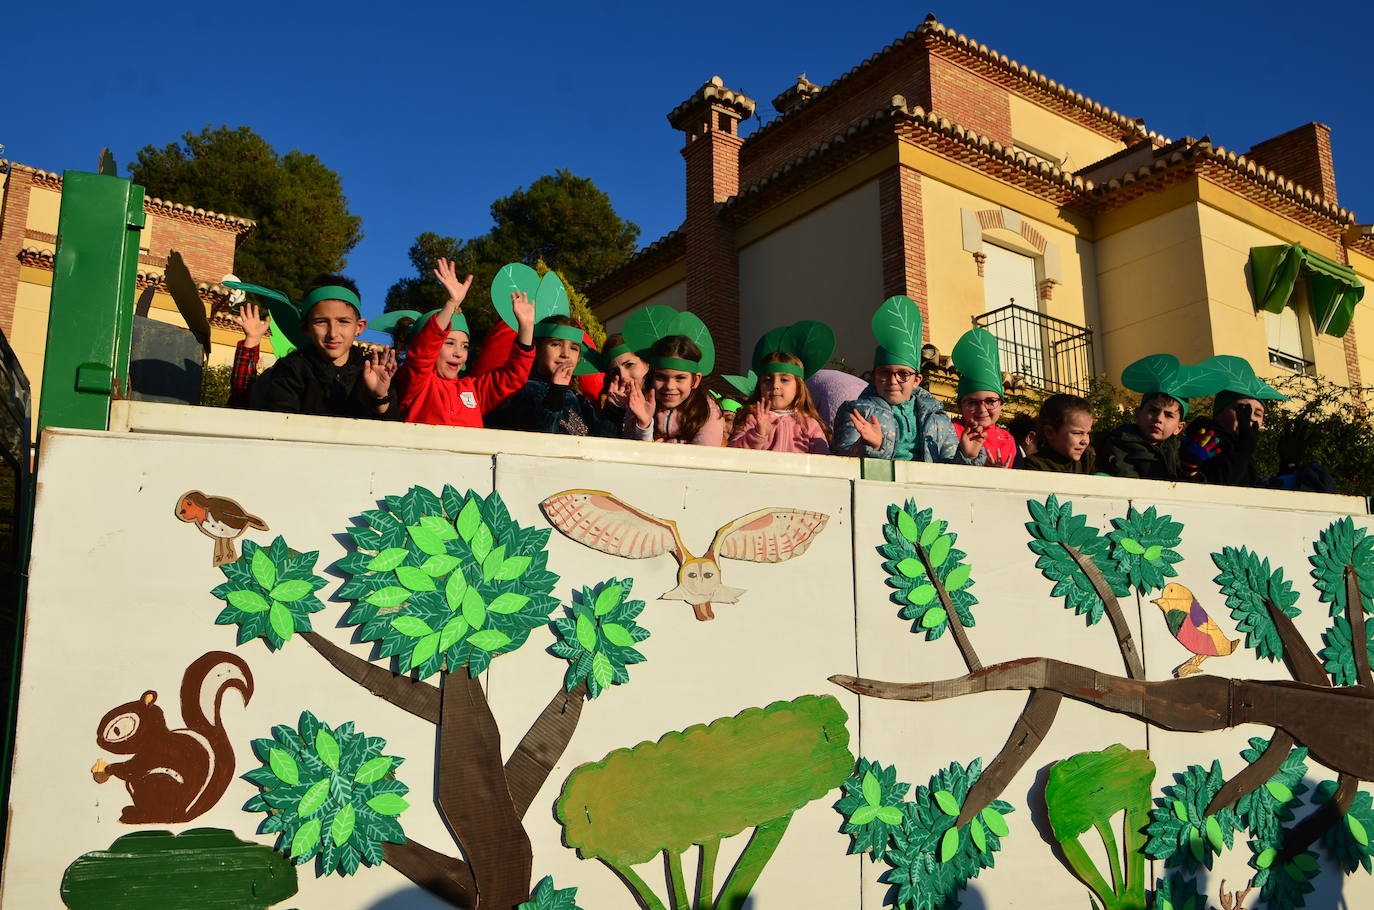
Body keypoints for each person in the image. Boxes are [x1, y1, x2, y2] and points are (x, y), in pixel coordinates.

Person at [832, 296, 985, 465]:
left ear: (917, 380)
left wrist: (966, 455)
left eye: (903, 374)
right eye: (884, 373)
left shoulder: (938, 419)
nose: (893, 380)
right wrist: (869, 446)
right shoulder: (857, 412)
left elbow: (949, 476)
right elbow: (842, 462)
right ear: (875, 376)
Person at [397, 258, 534, 428]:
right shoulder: (416, 384)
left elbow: (512, 378)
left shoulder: (473, 389)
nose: (458, 352)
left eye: (465, 346)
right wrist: (451, 303)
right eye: (449, 343)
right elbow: (421, 355)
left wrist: (526, 328)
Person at [255, 275, 399, 419]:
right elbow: (281, 423)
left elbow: (392, 430)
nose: (333, 333)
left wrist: (379, 397)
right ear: (306, 328)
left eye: (343, 321)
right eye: (321, 322)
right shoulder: (290, 369)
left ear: (359, 327)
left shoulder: (374, 370)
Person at [484, 315, 619, 436]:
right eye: (556, 344)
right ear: (537, 350)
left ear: (578, 358)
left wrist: (613, 410)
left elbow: (603, 446)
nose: (565, 354)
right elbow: (542, 440)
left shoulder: (580, 401)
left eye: (573, 348)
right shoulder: (523, 391)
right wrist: (556, 394)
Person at [1095, 354, 1222, 481]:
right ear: (1138, 414)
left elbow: (1194, 495)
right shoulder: (1119, 442)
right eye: (1153, 410)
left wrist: (1191, 471)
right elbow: (1128, 482)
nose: (1159, 419)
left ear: (1179, 427)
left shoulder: (1182, 450)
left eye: (1169, 415)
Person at [728, 320, 834, 454]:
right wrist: (757, 434)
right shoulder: (752, 418)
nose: (775, 385)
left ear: (799, 387)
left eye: (784, 379)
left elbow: (824, 462)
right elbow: (733, 456)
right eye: (767, 380)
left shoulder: (810, 424)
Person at [619, 335, 724, 445]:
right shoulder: (638, 404)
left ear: (695, 380)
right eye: (661, 377)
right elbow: (630, 454)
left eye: (680, 378)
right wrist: (644, 425)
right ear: (652, 377)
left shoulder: (707, 411)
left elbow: (704, 458)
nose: (669, 386)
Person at [949, 328, 1015, 468]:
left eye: (990, 401)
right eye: (972, 402)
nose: (982, 409)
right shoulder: (949, 431)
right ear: (960, 406)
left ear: (1001, 405)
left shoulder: (1008, 440)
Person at [1022, 393, 1096, 473]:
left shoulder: (1087, 460)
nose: (1085, 441)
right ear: (1050, 432)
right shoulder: (1033, 466)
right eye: (1077, 433)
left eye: (1088, 433)